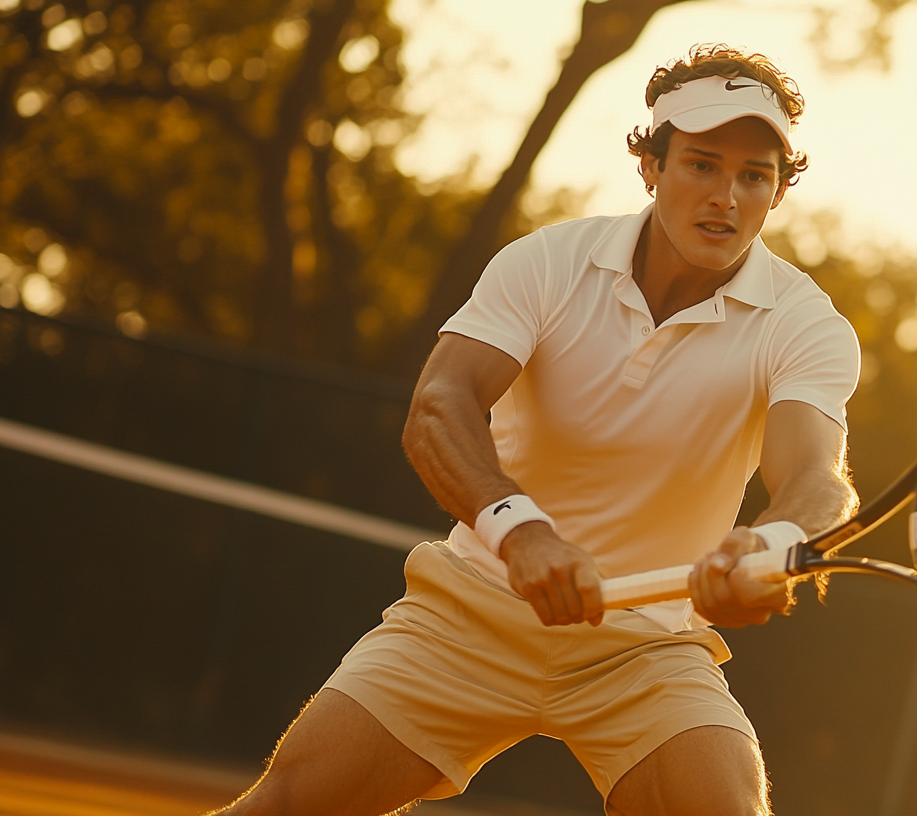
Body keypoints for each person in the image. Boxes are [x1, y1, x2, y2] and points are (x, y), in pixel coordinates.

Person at [214, 44, 860, 816]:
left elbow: (817, 480)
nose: (726, 195)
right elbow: (439, 406)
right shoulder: (549, 261)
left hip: (646, 647)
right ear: (651, 166)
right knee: (285, 807)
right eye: (702, 164)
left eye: (755, 174)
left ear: (779, 190)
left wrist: (768, 547)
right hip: (475, 610)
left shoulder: (806, 323)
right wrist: (523, 534)